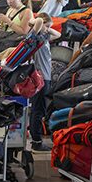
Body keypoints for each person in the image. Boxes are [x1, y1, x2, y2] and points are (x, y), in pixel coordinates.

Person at [28, 12, 58, 152]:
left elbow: (58, 34)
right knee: (37, 111)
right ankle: (36, 141)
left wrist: (48, 27)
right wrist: (38, 23)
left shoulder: (44, 37)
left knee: (40, 110)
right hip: (41, 79)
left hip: (46, 78)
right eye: (46, 27)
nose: (48, 30)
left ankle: (37, 139)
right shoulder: (35, 38)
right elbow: (39, 20)